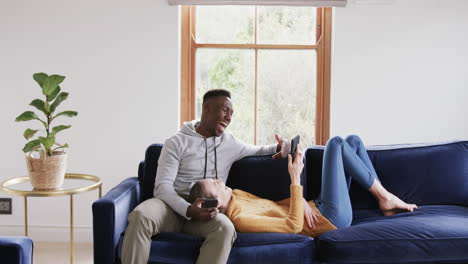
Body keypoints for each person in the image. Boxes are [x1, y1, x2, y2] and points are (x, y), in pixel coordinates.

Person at [121, 89, 290, 264]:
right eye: (225, 110)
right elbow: (162, 187)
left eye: (231, 113)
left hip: (207, 212)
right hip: (170, 206)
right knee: (141, 215)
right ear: (207, 109)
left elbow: (260, 150)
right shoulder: (176, 142)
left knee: (225, 228)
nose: (228, 117)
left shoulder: (230, 143)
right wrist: (187, 209)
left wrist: (281, 146)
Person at [188, 135, 418, 237]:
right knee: (335, 143)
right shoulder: (241, 219)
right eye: (215, 184)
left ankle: (385, 201)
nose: (220, 180)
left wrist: (301, 203)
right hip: (329, 220)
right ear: (213, 203)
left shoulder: (237, 195)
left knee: (353, 141)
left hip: (316, 207)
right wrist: (295, 178)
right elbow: (293, 227)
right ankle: (385, 197)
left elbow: (275, 206)